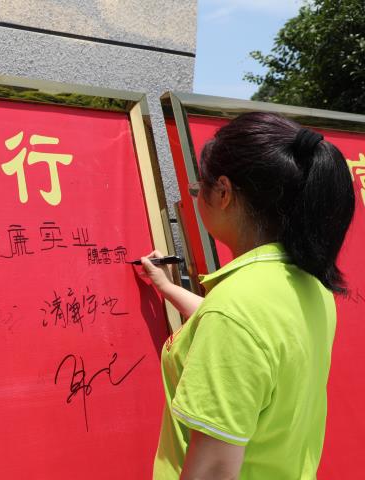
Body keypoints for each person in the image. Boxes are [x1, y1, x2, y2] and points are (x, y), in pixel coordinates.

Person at [142, 112, 355, 479]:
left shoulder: (234, 309)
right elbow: (248, 335)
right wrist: (168, 288)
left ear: (223, 192)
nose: (196, 197)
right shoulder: (306, 283)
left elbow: (212, 471)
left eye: (198, 188)